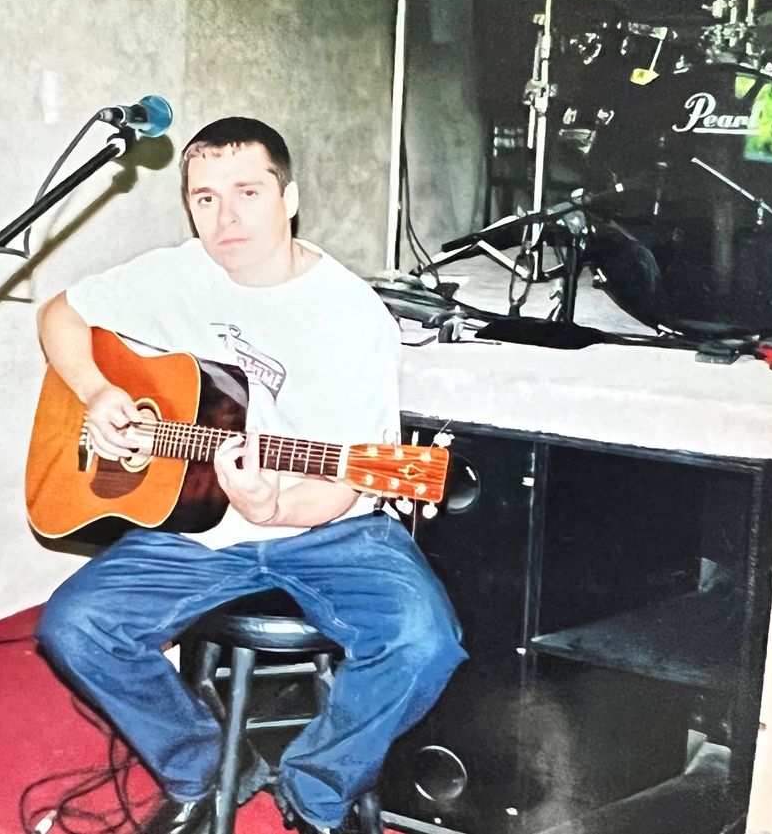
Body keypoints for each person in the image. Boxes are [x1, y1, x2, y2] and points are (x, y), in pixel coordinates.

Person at [33, 117, 466, 834]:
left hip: (331, 525)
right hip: (199, 522)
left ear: (288, 199)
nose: (224, 217)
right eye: (204, 198)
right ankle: (204, 769)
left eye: (247, 192)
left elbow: (343, 483)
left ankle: (316, 787)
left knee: (423, 642)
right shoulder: (180, 273)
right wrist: (98, 391)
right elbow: (61, 314)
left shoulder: (349, 317)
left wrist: (272, 507)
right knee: (75, 626)